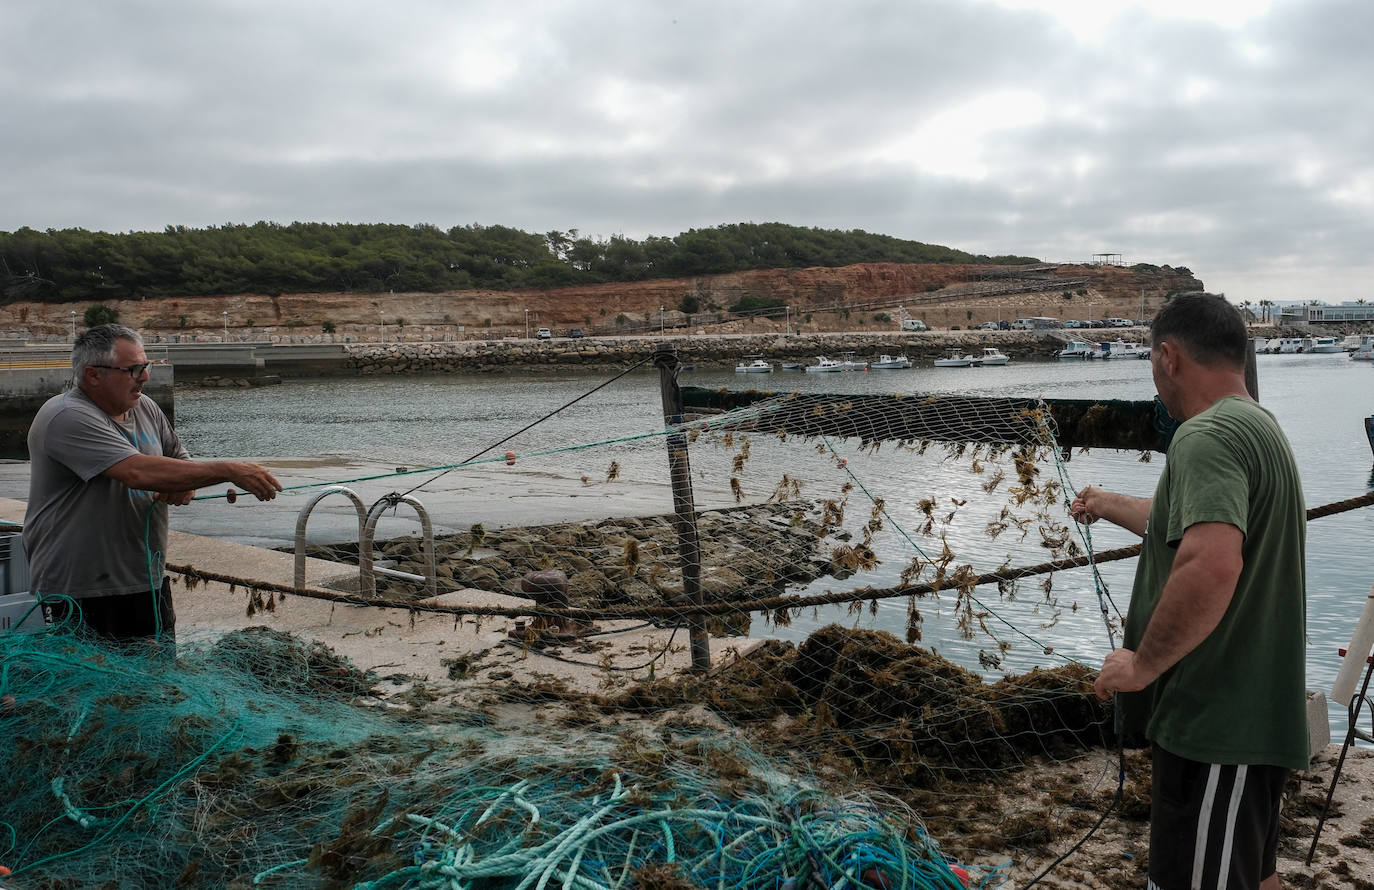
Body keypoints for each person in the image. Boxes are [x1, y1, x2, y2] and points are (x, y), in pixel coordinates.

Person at [1070, 293, 1307, 890]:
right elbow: (1185, 522)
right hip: (1255, 721)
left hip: (1215, 727)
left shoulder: (1203, 438)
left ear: (1169, 357)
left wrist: (1141, 665)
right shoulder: (1258, 428)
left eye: (1151, 364)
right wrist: (1105, 502)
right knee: (1256, 877)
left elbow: (1212, 561)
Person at [24, 324, 283, 644]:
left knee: (158, 688)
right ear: (93, 375)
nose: (145, 377)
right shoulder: (66, 417)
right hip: (78, 591)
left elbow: (179, 463)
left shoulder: (144, 407)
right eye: (132, 369)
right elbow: (136, 472)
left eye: (144, 366)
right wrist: (228, 470)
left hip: (146, 581)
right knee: (89, 688)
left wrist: (185, 482)